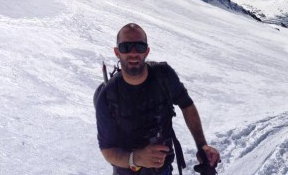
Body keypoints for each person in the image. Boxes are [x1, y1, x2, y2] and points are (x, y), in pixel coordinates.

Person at [94, 23, 221, 175]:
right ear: (117, 52)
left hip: (163, 170)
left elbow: (186, 105)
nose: (133, 53)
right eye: (126, 47)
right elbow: (107, 149)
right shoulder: (107, 95)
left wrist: (202, 146)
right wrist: (136, 158)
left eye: (139, 47)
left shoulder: (164, 76)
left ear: (146, 51)